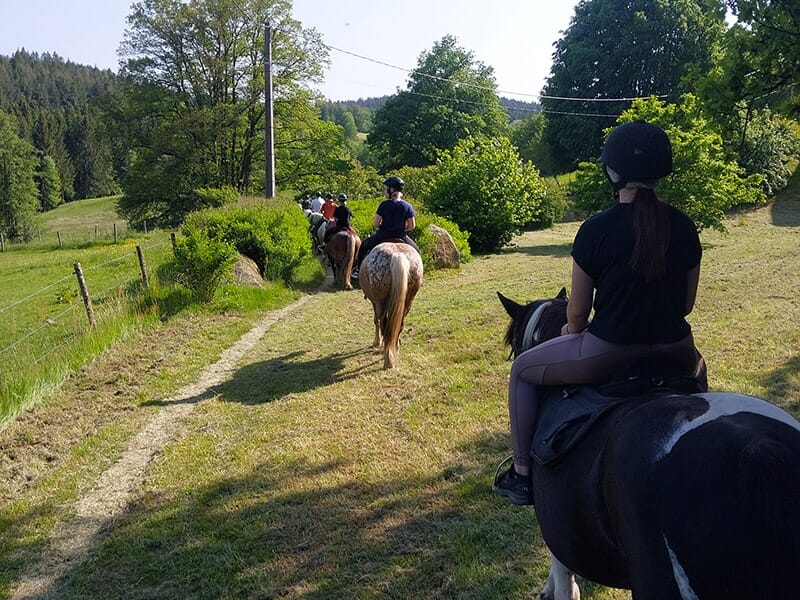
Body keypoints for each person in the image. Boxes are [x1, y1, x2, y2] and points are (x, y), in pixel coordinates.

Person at [493, 121, 704, 506]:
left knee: (522, 370)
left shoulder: (595, 230)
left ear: (612, 172)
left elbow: (577, 312)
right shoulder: (685, 227)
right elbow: (686, 305)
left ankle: (522, 474)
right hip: (678, 352)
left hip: (611, 351)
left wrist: (572, 331)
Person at [351, 176, 419, 279]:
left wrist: (383, 228)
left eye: (386, 189)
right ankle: (418, 275)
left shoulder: (384, 204)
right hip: (401, 236)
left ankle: (358, 270)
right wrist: (401, 229)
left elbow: (376, 224)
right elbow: (412, 226)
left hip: (382, 235)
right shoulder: (408, 206)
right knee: (416, 250)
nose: (384, 192)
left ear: (391, 190)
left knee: (364, 246)